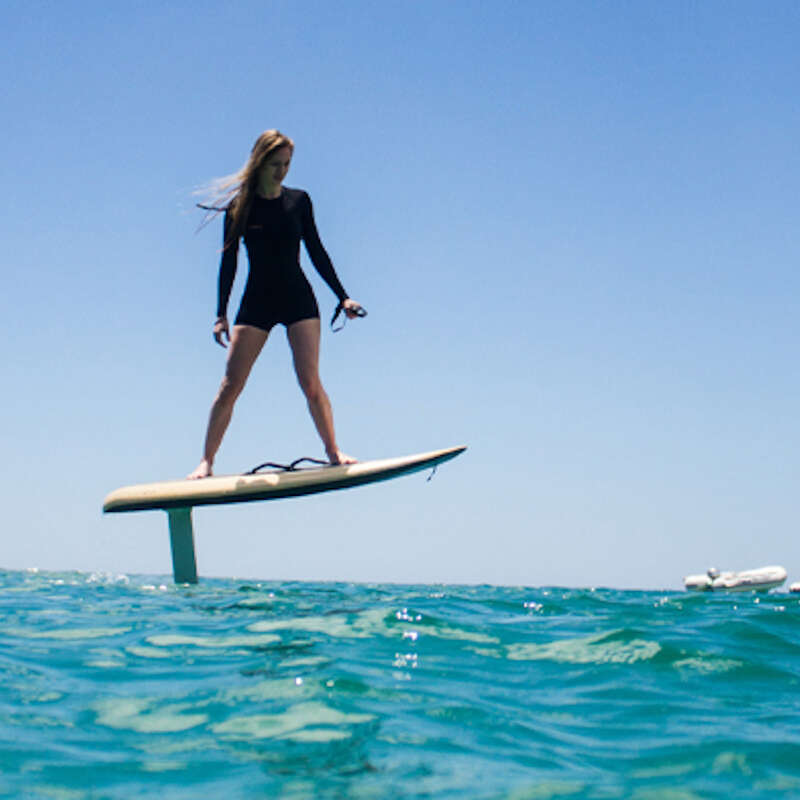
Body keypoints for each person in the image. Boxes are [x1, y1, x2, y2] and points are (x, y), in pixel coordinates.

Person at [188, 130, 363, 479]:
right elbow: (229, 261)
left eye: (287, 164)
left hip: (298, 298)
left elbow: (316, 250)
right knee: (230, 385)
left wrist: (342, 296)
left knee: (311, 383)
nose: (283, 171)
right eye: (276, 164)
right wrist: (220, 313)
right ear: (260, 161)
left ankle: (333, 451)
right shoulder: (241, 206)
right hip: (257, 301)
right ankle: (206, 461)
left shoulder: (299, 201)